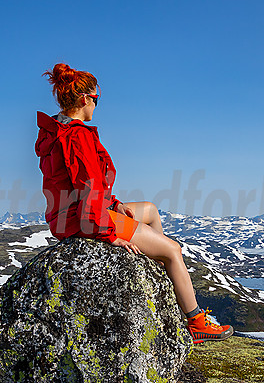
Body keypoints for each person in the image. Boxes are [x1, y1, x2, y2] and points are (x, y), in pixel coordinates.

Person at [35, 63, 233, 344]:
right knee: (174, 251)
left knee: (149, 210)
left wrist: (113, 203)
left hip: (69, 212)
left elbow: (74, 183)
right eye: (96, 99)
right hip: (84, 218)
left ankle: (160, 279)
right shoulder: (78, 136)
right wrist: (107, 233)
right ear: (83, 99)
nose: (96, 105)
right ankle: (196, 322)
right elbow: (89, 188)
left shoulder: (56, 131)